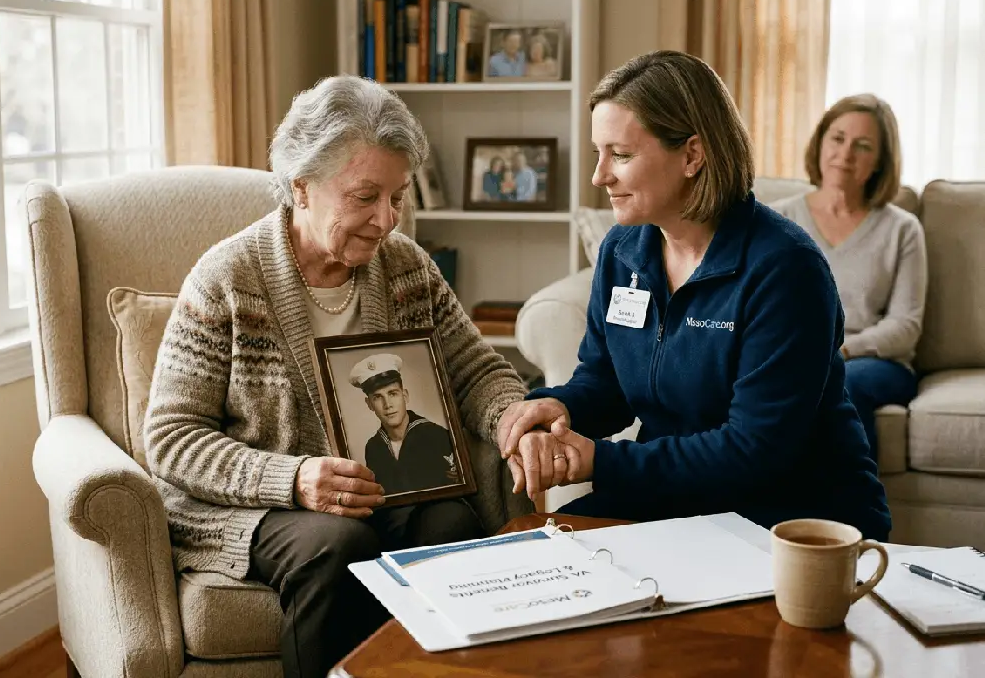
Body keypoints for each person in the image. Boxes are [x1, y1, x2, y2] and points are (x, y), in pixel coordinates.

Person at [144, 75, 528, 677]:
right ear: (301, 186)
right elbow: (171, 437)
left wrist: (516, 417)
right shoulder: (227, 279)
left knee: (452, 520)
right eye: (364, 196)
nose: (386, 220)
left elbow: (475, 368)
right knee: (336, 545)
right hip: (261, 504)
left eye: (397, 197)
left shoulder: (406, 269)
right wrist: (293, 477)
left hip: (383, 488)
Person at [496, 50, 891, 541]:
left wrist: (598, 459)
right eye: (598, 153)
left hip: (792, 516)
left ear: (691, 155)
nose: (599, 176)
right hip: (672, 496)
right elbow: (605, 386)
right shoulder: (622, 252)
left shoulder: (786, 268)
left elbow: (755, 450)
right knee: (537, 562)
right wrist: (556, 410)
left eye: (619, 154)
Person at [770, 95, 927, 468]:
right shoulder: (778, 220)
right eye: (837, 138)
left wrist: (841, 350)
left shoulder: (902, 229)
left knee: (841, 380)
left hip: (873, 363)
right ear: (820, 142)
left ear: (880, 161)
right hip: (792, 356)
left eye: (863, 145)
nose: (846, 153)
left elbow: (905, 326)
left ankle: (854, 519)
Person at [351, 352, 458, 495]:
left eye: (393, 394)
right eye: (377, 397)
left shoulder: (437, 435)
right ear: (369, 404)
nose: (387, 404)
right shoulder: (373, 447)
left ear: (405, 396)